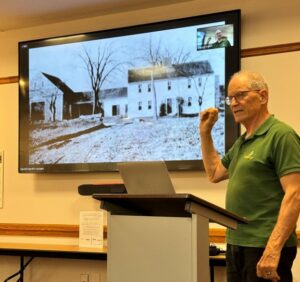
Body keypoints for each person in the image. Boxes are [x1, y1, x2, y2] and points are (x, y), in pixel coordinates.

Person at [199, 71, 300, 282]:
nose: (233, 103)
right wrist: (205, 133)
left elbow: (295, 193)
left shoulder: (281, 135)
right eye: (230, 98)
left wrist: (273, 250)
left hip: (263, 246)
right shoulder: (243, 141)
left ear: (262, 96)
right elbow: (214, 173)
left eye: (241, 95)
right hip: (237, 243)